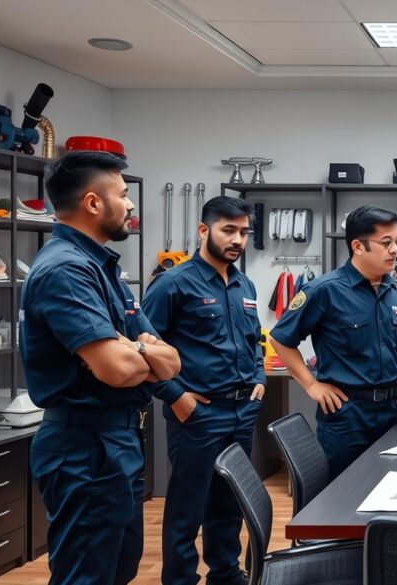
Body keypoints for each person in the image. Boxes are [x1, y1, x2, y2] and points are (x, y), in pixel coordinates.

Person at [20, 151, 181, 584]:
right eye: (124, 195)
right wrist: (138, 350)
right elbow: (114, 369)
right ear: (93, 203)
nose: (131, 205)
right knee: (87, 574)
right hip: (83, 445)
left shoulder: (101, 267)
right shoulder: (66, 270)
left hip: (116, 438)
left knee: (117, 568)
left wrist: (138, 351)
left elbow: (171, 362)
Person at [144, 196, 266, 585]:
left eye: (243, 232)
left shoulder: (244, 284)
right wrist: (176, 396)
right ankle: (180, 579)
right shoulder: (173, 284)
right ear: (204, 230)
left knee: (229, 502)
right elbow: (142, 348)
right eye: (228, 230)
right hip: (197, 412)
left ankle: (225, 573)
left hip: (241, 410)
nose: (238, 240)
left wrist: (260, 376)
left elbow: (254, 340)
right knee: (187, 506)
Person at [270, 206, 397, 480]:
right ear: (358, 246)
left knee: (389, 486)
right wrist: (312, 384)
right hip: (345, 415)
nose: (394, 250)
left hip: (391, 412)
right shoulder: (324, 290)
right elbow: (281, 339)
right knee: (342, 494)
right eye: (386, 242)